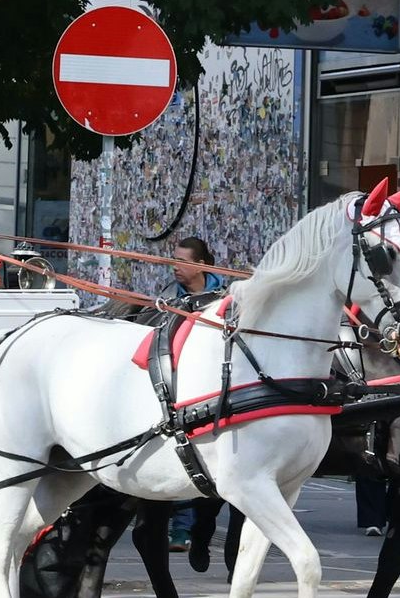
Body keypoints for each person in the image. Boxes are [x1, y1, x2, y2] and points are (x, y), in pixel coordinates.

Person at [167, 238, 236, 574]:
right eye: (174, 259)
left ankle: (236, 562)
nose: (175, 265)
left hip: (224, 398)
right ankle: (192, 532)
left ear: (203, 264)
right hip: (182, 394)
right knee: (201, 487)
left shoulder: (224, 300)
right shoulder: (170, 297)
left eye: (182, 260)